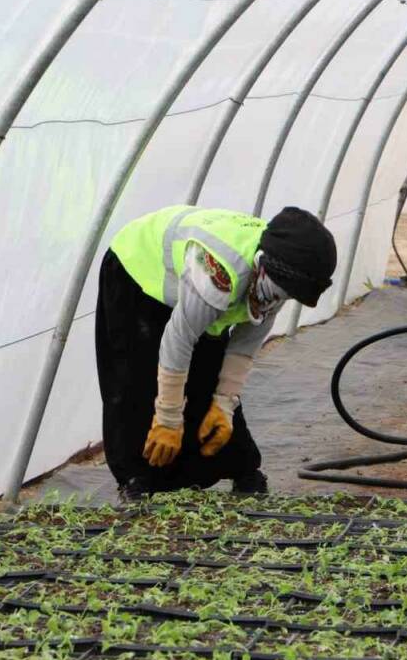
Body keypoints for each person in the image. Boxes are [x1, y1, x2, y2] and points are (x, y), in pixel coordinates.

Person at [96, 204, 336, 496]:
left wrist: (224, 403)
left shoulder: (285, 273)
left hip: (199, 288)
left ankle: (238, 465)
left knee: (208, 374)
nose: (280, 300)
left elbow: (245, 344)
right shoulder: (219, 270)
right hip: (138, 269)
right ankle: (137, 477)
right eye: (278, 292)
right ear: (261, 264)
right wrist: (169, 418)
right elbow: (179, 339)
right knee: (139, 377)